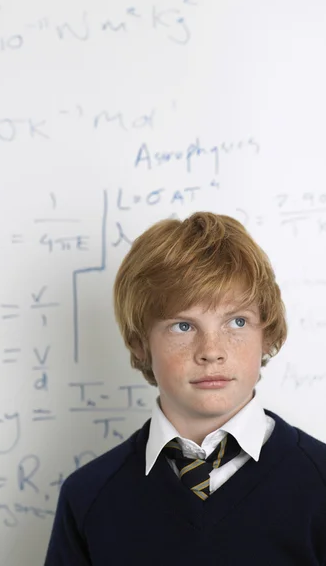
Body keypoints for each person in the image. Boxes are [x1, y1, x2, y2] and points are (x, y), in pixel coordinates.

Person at [45, 212, 326, 565]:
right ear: (139, 344)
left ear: (266, 333)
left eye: (237, 321)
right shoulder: (88, 497)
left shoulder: (319, 483)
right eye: (182, 326)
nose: (211, 351)